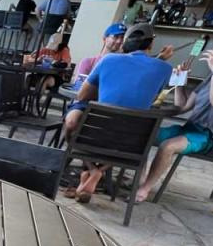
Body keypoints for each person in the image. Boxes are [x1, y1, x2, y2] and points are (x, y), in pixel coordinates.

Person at [135, 29, 213, 203]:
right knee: (143, 134)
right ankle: (140, 181)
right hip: (188, 129)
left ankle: (145, 188)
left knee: (168, 146)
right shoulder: (212, 77)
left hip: (206, 135)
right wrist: (180, 82)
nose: (212, 51)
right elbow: (183, 106)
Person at [62, 23, 174, 202]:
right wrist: (160, 59)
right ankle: (99, 171)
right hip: (130, 142)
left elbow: (83, 95)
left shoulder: (109, 60)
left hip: (95, 133)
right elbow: (152, 98)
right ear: (150, 45)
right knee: (119, 133)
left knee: (75, 123)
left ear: (125, 43)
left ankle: (92, 169)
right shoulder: (165, 68)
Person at [72, 22, 127, 87]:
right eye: (116, 37)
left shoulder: (123, 67)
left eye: (122, 38)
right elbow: (78, 89)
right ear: (104, 39)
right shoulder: (88, 63)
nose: (119, 41)